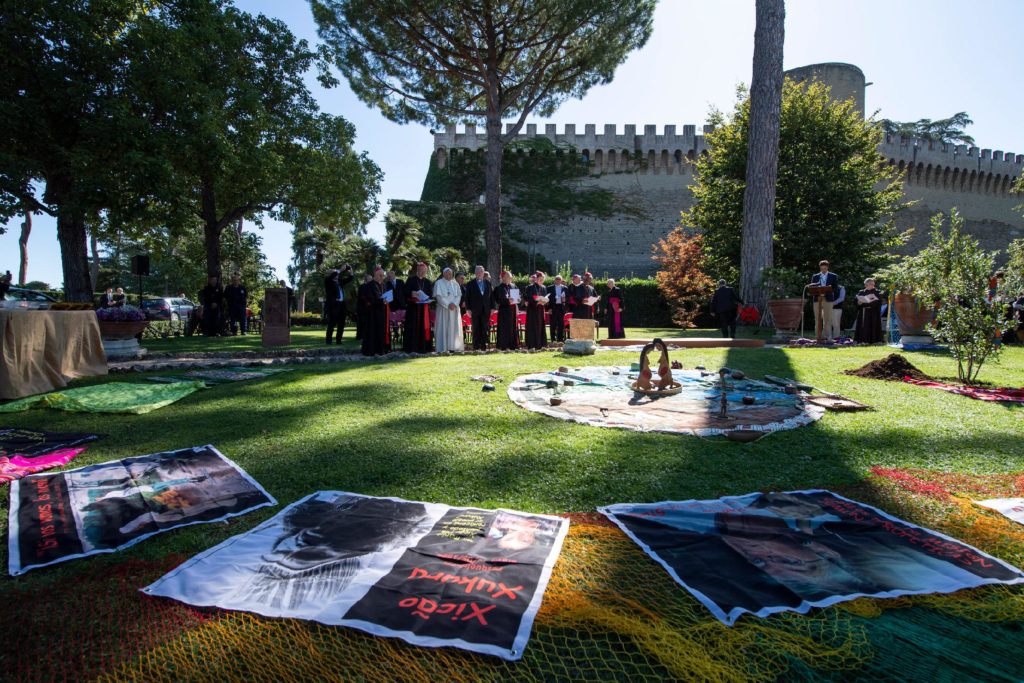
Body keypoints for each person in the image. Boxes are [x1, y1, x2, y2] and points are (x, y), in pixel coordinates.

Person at [358, 268, 392, 356]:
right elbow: (370, 298)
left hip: (383, 311)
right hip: (373, 313)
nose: (382, 277)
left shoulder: (384, 285)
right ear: (375, 275)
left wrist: (387, 299)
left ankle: (383, 349)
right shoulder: (370, 285)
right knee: (373, 331)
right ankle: (372, 350)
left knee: (383, 330)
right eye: (380, 275)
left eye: (383, 275)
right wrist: (381, 301)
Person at [403, 263, 434, 353]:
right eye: (421, 271)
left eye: (424, 272)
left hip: (423, 308)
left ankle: (423, 347)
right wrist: (412, 293)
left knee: (423, 327)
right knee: (412, 327)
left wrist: (427, 297)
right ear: (417, 270)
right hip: (413, 308)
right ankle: (412, 348)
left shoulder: (427, 282)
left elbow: (430, 294)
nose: (422, 273)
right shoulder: (411, 280)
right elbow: (405, 292)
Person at [433, 267, 465, 353]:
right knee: (443, 328)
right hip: (443, 309)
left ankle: (454, 347)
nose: (449, 275)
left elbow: (458, 296)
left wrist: (454, 304)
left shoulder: (455, 284)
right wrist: (448, 305)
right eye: (447, 273)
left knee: (454, 328)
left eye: (450, 273)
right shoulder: (438, 283)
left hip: (454, 309)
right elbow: (439, 297)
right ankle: (442, 347)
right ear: (443, 274)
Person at [464, 265, 493, 350]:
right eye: (478, 271)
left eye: (481, 272)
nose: (479, 273)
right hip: (474, 310)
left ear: (483, 273)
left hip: (485, 310)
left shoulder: (488, 283)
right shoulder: (470, 284)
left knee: (484, 328)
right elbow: (467, 298)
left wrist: (493, 308)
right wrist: (468, 309)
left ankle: (483, 347)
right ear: (475, 273)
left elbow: (491, 297)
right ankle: (476, 347)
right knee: (476, 328)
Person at [810, 260, 839, 340]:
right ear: (820, 268)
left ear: (827, 268)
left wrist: (827, 290)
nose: (823, 270)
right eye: (822, 268)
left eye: (825, 268)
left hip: (828, 299)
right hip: (817, 299)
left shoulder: (833, 276)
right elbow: (812, 287)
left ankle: (827, 336)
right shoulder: (816, 276)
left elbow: (835, 288)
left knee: (827, 319)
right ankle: (818, 336)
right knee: (817, 318)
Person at [324, 266, 353, 345]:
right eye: (335, 273)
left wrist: (351, 273)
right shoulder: (328, 281)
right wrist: (340, 270)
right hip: (333, 305)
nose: (337, 275)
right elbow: (332, 276)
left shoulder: (340, 281)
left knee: (341, 323)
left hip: (341, 305)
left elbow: (349, 279)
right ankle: (329, 341)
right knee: (332, 323)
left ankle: (339, 340)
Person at [493, 271, 520, 350]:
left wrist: (519, 299)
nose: (511, 278)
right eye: (509, 276)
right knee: (504, 328)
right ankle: (503, 345)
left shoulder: (513, 286)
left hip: (512, 310)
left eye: (511, 276)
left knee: (513, 327)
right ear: (503, 277)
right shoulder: (499, 288)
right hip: (504, 311)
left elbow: (518, 295)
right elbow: (498, 300)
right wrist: (507, 300)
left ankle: (513, 345)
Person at [854, 278, 884, 344]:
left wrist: (869, 302)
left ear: (873, 284)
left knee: (873, 326)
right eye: (867, 285)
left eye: (870, 284)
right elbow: (856, 301)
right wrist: (858, 303)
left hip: (873, 312)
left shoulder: (877, 292)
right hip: (863, 311)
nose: (868, 286)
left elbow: (879, 302)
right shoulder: (861, 292)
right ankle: (862, 340)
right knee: (863, 327)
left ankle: (874, 340)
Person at [524, 270, 548, 349]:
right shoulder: (530, 287)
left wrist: (544, 301)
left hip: (541, 310)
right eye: (540, 279)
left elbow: (545, 297)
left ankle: (540, 344)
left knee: (540, 326)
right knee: (532, 326)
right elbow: (527, 297)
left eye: (542, 280)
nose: (541, 281)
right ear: (536, 279)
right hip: (532, 310)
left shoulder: (544, 287)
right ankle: (532, 344)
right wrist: (536, 302)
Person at [547, 275, 568, 342]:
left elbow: (568, 298)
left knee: (561, 324)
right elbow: (547, 299)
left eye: (559, 279)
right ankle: (553, 339)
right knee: (553, 324)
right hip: (552, 307)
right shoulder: (549, 288)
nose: (558, 280)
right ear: (554, 280)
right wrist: (548, 308)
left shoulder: (565, 288)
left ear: (561, 280)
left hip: (561, 307)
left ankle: (560, 339)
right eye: (556, 279)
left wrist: (565, 300)